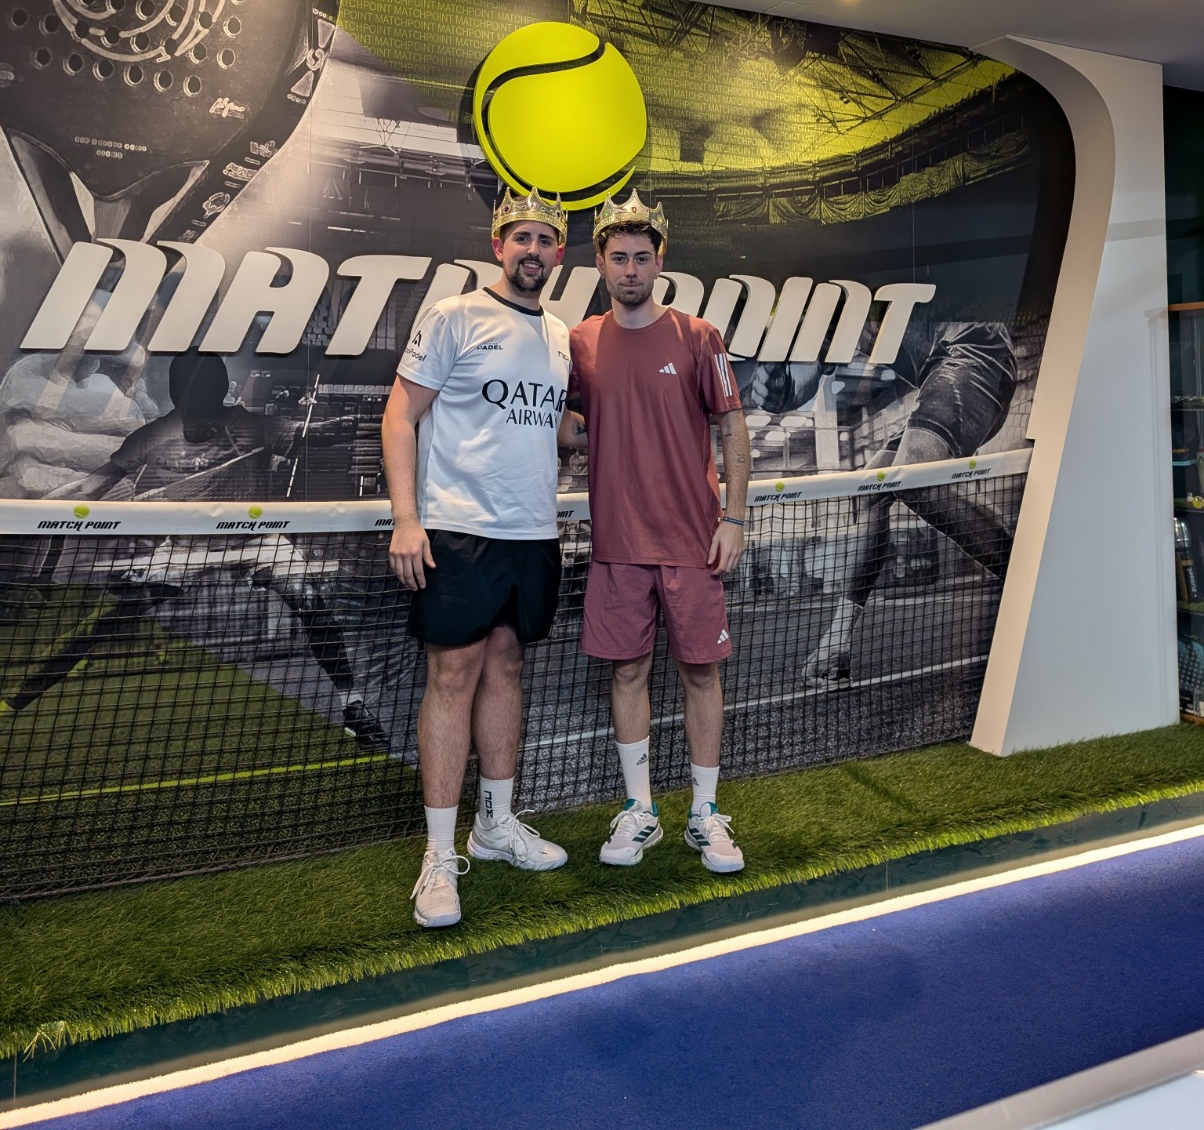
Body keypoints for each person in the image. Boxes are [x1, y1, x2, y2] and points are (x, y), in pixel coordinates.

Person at [0, 351, 392, 753]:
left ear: (221, 393)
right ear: (177, 398)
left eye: (208, 399)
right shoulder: (149, 438)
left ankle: (352, 706)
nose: (200, 412)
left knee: (309, 599)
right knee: (108, 620)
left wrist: (378, 421)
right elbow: (89, 488)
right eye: (193, 401)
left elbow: (321, 433)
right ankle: (16, 699)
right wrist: (29, 514)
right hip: (186, 548)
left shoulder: (254, 427)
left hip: (256, 540)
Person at [382, 187, 578, 929]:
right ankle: (438, 856)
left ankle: (494, 826)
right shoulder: (454, 315)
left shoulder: (559, 335)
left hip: (533, 533)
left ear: (559, 254)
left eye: (545, 240)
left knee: (507, 667)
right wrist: (408, 520)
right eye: (521, 238)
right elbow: (400, 414)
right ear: (499, 246)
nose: (533, 251)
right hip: (458, 530)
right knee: (452, 674)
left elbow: (550, 429)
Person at [570, 190, 751, 874]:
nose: (630, 270)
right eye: (619, 258)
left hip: (693, 542)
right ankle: (640, 809)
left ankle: (705, 813)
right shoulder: (580, 343)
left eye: (641, 258)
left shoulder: (700, 337)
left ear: (660, 260)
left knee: (701, 672)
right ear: (600, 263)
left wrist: (735, 517)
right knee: (628, 670)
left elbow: (732, 428)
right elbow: (564, 424)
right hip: (618, 545)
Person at [750, 319, 1018, 682]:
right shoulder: (830, 315)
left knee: (914, 478)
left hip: (975, 348)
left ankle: (1033, 577)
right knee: (873, 488)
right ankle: (837, 642)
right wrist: (790, 383)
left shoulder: (845, 294)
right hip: (941, 372)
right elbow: (811, 365)